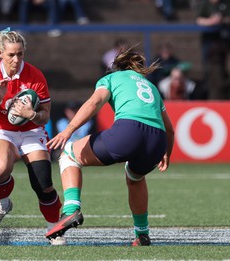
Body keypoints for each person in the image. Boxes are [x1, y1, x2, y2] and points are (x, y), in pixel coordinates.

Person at [45, 47, 175, 246]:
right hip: (157, 140)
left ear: (116, 68)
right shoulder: (152, 87)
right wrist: (166, 152)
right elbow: (170, 129)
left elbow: (95, 101)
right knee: (135, 178)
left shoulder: (112, 78)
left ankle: (70, 211)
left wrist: (68, 130)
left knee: (69, 154)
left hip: (128, 130)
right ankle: (142, 234)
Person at [0, 28, 65, 245]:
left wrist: (31, 114)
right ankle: (3, 204)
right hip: (2, 129)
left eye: (20, 54)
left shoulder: (35, 74)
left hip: (31, 130)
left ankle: (54, 228)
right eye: (11, 55)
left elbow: (44, 117)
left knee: (43, 183)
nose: (16, 59)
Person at [196, 0, 230, 100]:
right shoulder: (204, 4)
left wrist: (222, 20)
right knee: (212, 75)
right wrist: (211, 21)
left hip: (225, 42)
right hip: (210, 44)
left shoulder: (225, 3)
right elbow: (198, 19)